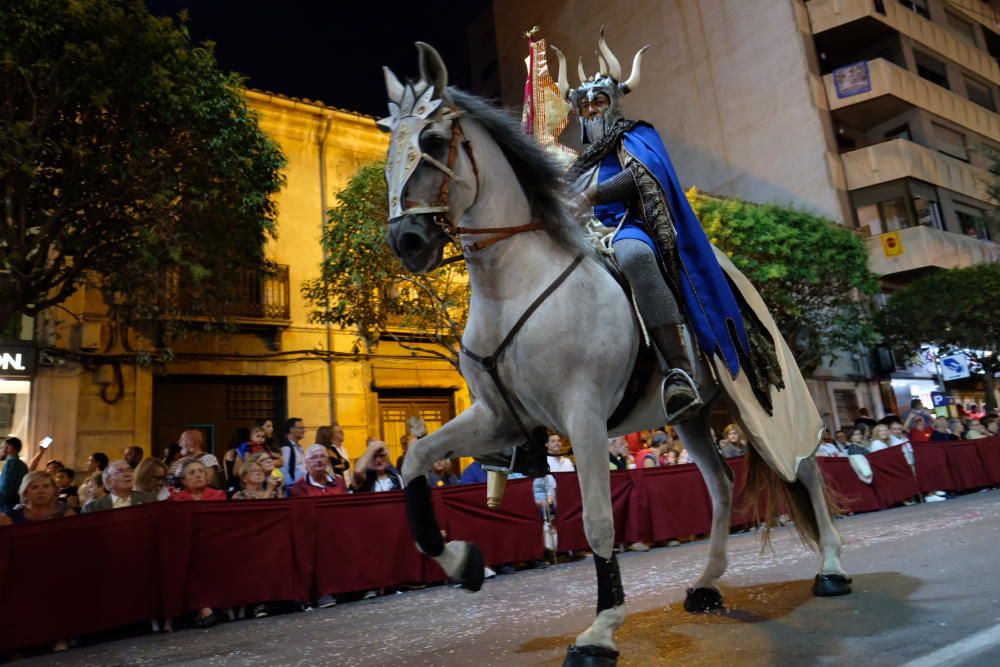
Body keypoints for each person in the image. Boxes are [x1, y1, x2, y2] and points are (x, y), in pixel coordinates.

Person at [0, 471, 76, 526]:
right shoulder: (11, 517)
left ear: (53, 490)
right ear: (25, 492)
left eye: (46, 486)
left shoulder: (66, 512)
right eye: (35, 487)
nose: (41, 491)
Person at [82, 460, 158, 511]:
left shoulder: (150, 499)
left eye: (129, 470)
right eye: (120, 471)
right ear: (109, 482)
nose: (127, 474)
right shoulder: (92, 508)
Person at [0, 437, 29, 514]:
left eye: (2, 447)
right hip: (17, 505)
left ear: (8, 448)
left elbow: (5, 490)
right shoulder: (23, 465)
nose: (0, 450)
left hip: (7, 507)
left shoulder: (10, 464)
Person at [280, 417, 307, 493]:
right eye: (301, 428)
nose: (304, 431)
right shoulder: (286, 447)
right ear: (291, 430)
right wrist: (291, 486)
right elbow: (283, 469)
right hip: (295, 489)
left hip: (303, 487)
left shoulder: (299, 447)